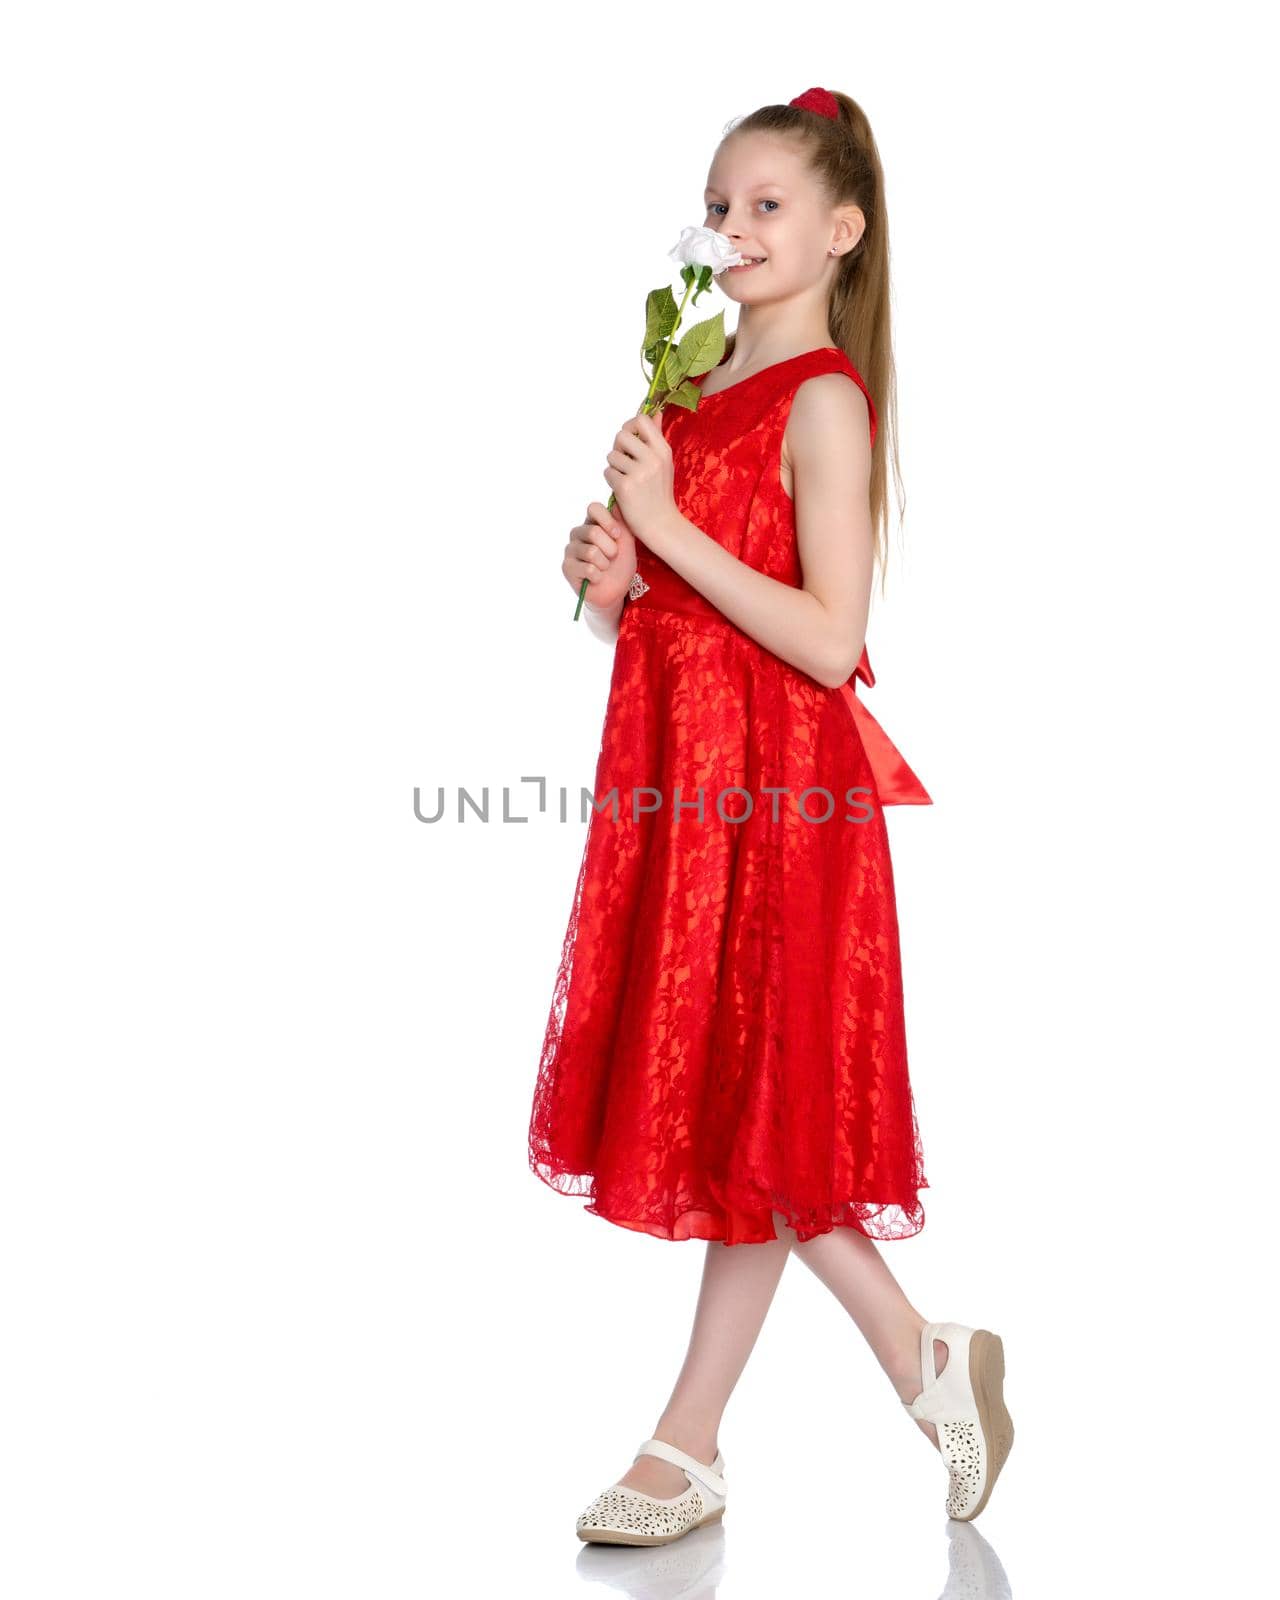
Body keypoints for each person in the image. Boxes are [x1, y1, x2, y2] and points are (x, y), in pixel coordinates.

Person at [528, 86, 1014, 1546]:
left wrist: (670, 527)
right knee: (740, 1113)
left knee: (768, 1112)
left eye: (768, 206)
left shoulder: (822, 404)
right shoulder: (688, 398)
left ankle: (760, 1417)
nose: (732, 230)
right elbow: (680, 634)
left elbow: (825, 635)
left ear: (842, 232)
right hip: (690, 800)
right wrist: (614, 584)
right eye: (720, 205)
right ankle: (758, 1419)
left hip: (786, 808)